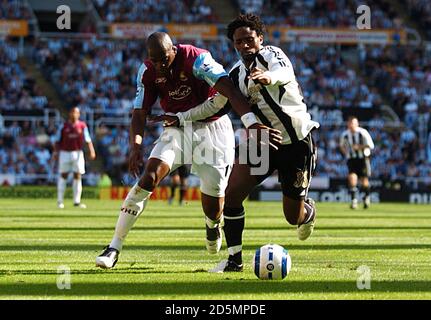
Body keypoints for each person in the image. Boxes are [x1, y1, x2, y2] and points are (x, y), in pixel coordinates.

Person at [95, 32, 281, 269]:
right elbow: (139, 112)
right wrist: (136, 146)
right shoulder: (147, 71)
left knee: (214, 206)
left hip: (213, 129)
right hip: (177, 129)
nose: (160, 66)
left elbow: (231, 91)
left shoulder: (198, 59)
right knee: (148, 178)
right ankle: (114, 247)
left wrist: (251, 123)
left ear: (173, 50)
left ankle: (212, 226)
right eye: (155, 60)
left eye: (164, 59)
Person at [157, 14, 320, 273]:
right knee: (232, 195)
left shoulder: (272, 55)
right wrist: (180, 118)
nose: (245, 45)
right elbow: (215, 105)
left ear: (260, 39)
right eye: (238, 42)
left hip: (296, 144)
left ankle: (308, 212)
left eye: (249, 39)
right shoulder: (234, 75)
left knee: (293, 217)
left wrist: (269, 78)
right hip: (262, 145)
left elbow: (285, 72)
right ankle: (235, 261)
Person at [52, 106, 96, 209]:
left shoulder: (82, 126)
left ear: (79, 114)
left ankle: (77, 201)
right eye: (72, 112)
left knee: (78, 175)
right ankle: (60, 201)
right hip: (65, 153)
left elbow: (88, 139)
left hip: (78, 153)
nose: (74, 114)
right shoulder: (63, 126)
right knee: (63, 175)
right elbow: (57, 140)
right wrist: (55, 152)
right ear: (69, 114)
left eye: (76, 112)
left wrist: (92, 150)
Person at [339, 116, 374, 209]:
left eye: (353, 123)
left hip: (363, 158)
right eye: (350, 123)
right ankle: (354, 201)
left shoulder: (363, 133)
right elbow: (341, 145)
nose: (351, 125)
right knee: (352, 178)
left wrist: (359, 147)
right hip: (352, 159)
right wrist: (346, 153)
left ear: (357, 124)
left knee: (364, 180)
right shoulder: (345, 134)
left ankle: (366, 197)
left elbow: (371, 145)